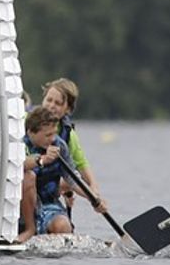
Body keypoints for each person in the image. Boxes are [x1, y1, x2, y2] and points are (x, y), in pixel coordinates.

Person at [16, 106, 92, 242]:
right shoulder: (19, 143)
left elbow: (72, 179)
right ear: (31, 132)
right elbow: (19, 165)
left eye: (54, 133)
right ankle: (30, 229)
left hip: (48, 203)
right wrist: (42, 160)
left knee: (63, 227)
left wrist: (93, 198)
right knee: (29, 176)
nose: (52, 139)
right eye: (48, 135)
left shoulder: (60, 146)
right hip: (21, 207)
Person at [40, 78, 108, 214]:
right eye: (49, 100)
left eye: (58, 103)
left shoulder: (68, 136)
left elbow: (81, 165)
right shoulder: (25, 121)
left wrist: (94, 194)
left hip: (47, 186)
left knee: (67, 184)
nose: (51, 105)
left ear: (68, 109)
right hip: (26, 183)